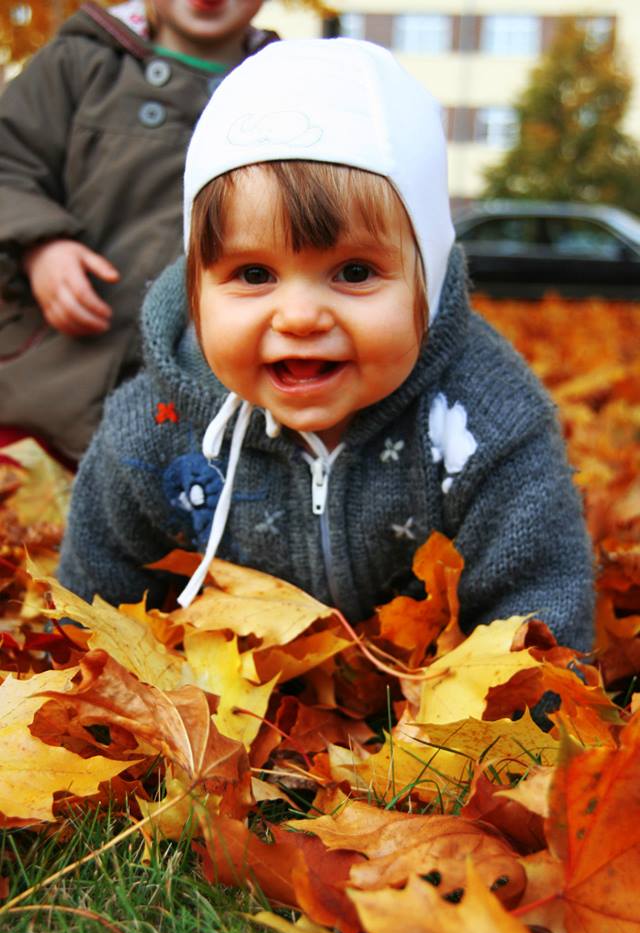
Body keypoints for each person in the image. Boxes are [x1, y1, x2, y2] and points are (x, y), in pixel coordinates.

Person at [57, 38, 595, 650]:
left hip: (425, 703)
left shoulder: (486, 421)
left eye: (355, 273)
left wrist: (516, 728)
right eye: (254, 275)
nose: (302, 316)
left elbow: (538, 611)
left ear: (430, 274)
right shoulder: (149, 429)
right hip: (228, 701)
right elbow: (92, 611)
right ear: (196, 284)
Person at [0, 0, 275, 462]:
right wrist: (41, 244)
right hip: (39, 385)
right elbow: (8, 163)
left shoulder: (283, 93)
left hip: (194, 409)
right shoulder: (79, 64)